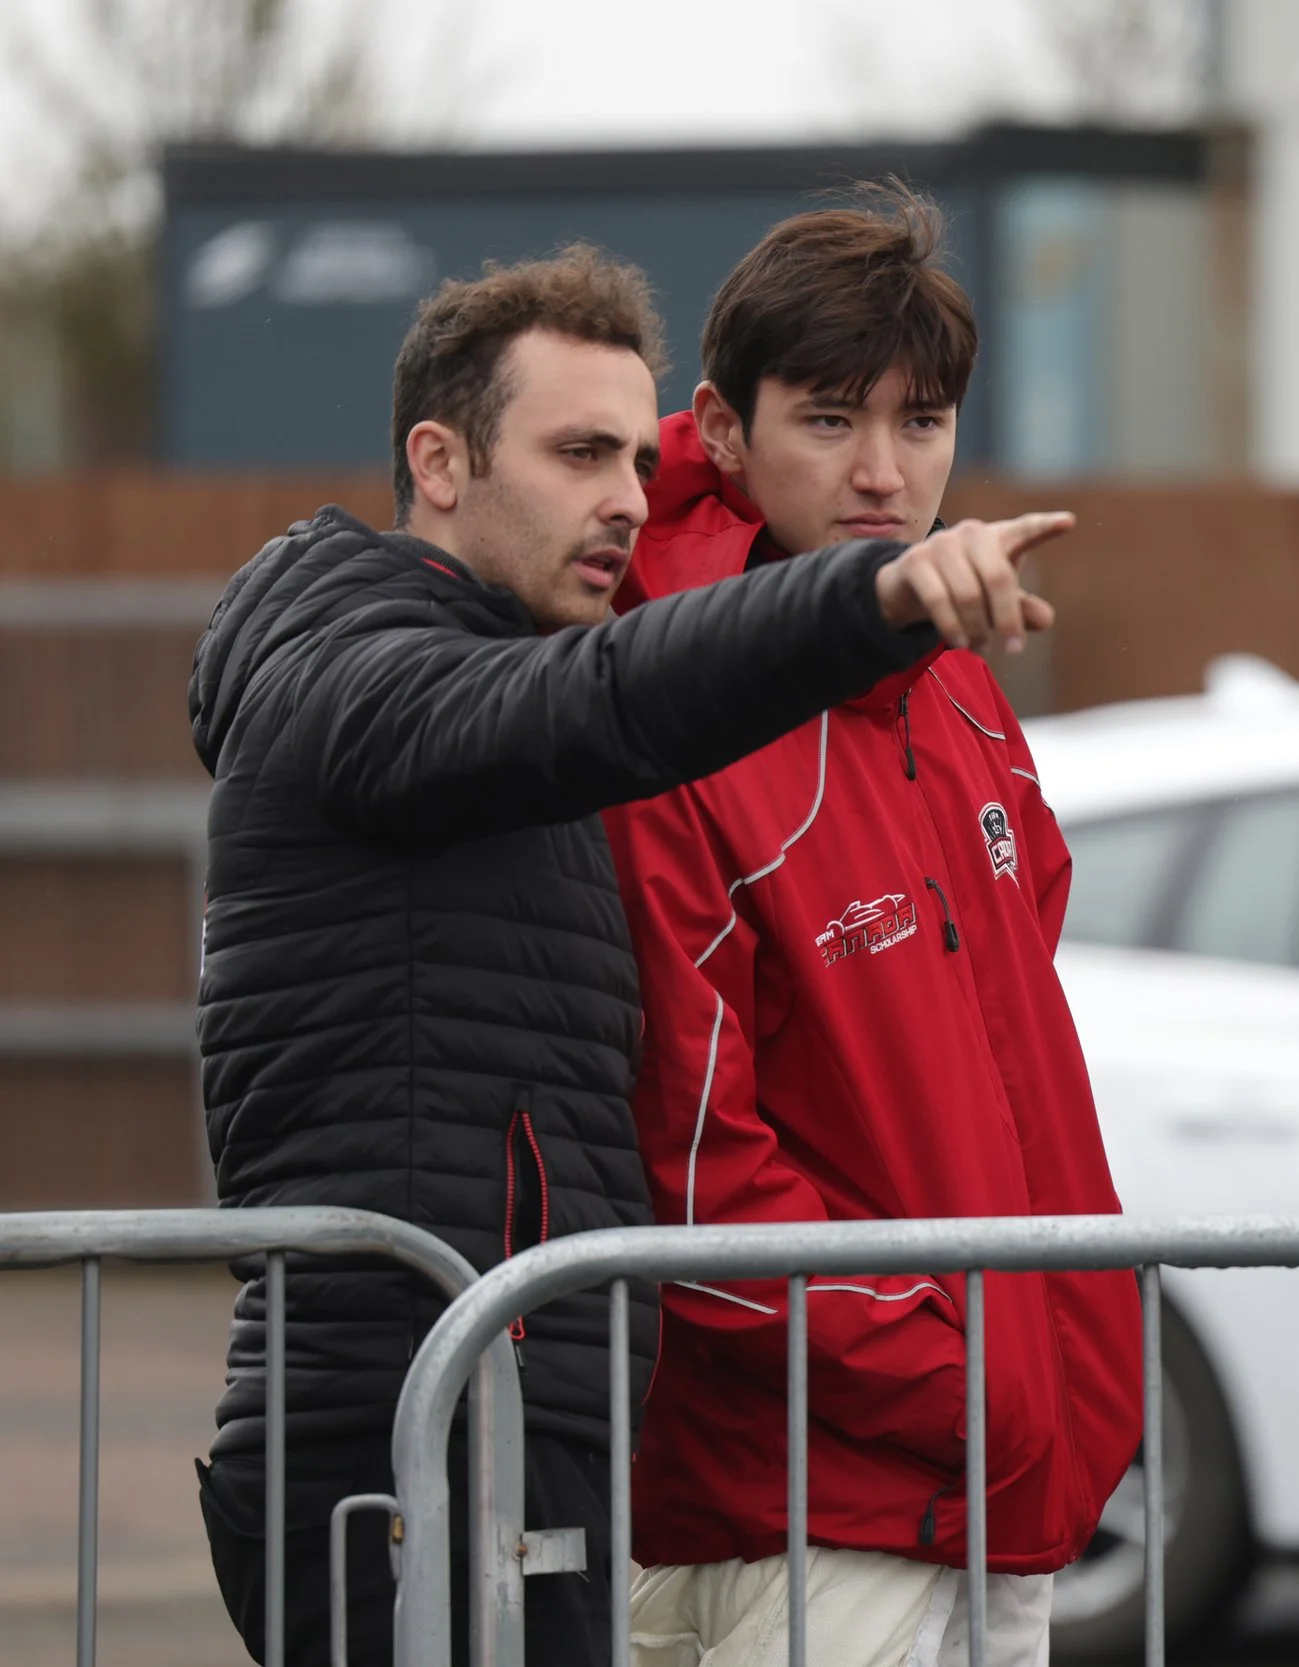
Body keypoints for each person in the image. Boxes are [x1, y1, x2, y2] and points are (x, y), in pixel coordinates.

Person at [189, 244, 1067, 1666]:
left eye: (637, 462)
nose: (625, 500)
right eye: (579, 453)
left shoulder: (486, 676)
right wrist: (865, 600)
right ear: (439, 462)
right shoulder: (358, 672)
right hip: (403, 1439)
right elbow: (600, 700)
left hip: (525, 1428)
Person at [600, 195, 1140, 1667]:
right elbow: (692, 1172)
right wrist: (960, 1380)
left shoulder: (953, 677)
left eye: (923, 421)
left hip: (994, 1478)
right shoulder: (666, 715)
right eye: (831, 420)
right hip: (809, 1508)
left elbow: (1011, 1030)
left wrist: (1028, 1388)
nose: (884, 473)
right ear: (723, 429)